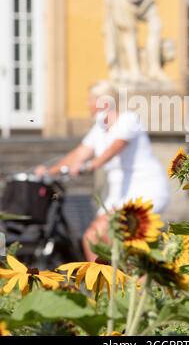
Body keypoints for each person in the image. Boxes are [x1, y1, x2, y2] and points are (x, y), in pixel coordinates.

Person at [35, 81, 170, 261]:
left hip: (145, 189)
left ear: (104, 102)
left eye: (91, 100)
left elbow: (115, 147)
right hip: (119, 193)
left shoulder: (128, 120)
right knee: (96, 239)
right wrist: (49, 172)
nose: (88, 105)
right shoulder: (99, 128)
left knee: (101, 236)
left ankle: (126, 284)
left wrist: (92, 165)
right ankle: (107, 284)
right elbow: (79, 153)